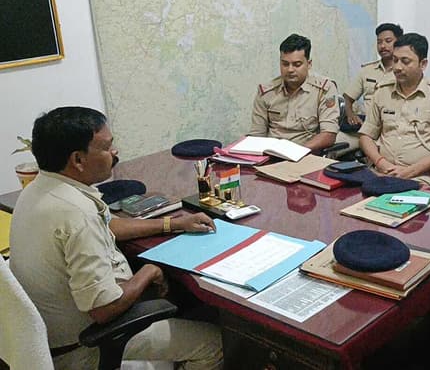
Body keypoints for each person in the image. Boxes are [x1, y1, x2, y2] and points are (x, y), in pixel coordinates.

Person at [10, 107, 223, 370]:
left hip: (44, 340)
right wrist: (148, 272)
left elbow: (109, 226)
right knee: (213, 343)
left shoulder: (39, 190)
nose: (115, 152)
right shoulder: (77, 214)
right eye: (106, 147)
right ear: (78, 160)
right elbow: (104, 310)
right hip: (86, 347)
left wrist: (174, 223)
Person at [358, 32, 430, 182]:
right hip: (382, 172)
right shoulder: (382, 91)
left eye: (405, 61)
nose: (397, 67)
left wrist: (411, 171)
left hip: (422, 177)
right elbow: (366, 136)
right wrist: (381, 163)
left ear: (423, 64)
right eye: (395, 60)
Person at [249, 33, 340, 152]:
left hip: (307, 154)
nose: (290, 70)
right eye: (285, 64)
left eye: (297, 64)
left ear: (309, 64)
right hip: (272, 155)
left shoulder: (324, 89)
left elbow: (329, 135)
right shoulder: (266, 92)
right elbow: (257, 135)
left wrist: (296, 151)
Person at [342, 22, 403, 128]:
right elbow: (348, 97)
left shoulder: (403, 72)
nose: (382, 46)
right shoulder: (367, 70)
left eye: (388, 41)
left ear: (399, 42)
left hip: (392, 126)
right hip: (365, 125)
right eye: (379, 42)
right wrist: (350, 115)